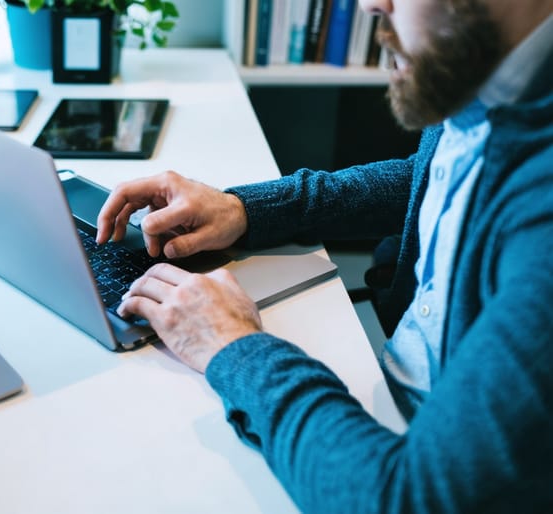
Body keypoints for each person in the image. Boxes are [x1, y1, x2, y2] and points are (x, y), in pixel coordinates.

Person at [95, 0, 553, 511]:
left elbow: (404, 499)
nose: (370, 4)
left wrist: (233, 347)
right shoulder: (498, 69)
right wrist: (246, 209)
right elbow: (430, 176)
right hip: (381, 382)